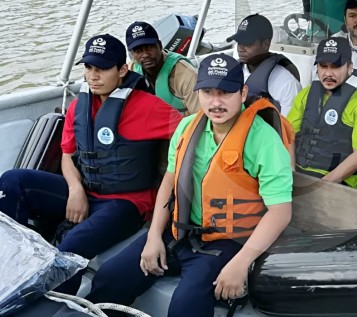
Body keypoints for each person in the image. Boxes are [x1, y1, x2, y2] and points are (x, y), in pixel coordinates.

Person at [84, 54, 293, 317]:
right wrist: (152, 238)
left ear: (242, 93)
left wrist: (241, 264)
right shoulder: (186, 127)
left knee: (186, 307)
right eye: (207, 92)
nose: (216, 102)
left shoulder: (264, 141)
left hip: (228, 240)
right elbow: (169, 182)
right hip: (179, 232)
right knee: (110, 278)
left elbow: (280, 211)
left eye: (225, 92)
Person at [0, 34, 183, 294]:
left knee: (72, 246)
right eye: (88, 68)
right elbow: (67, 154)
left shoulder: (149, 108)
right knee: (12, 181)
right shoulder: (78, 107)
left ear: (122, 70)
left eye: (102, 69)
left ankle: (56, 306)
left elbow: (193, 131)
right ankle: (10, 269)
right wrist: (75, 189)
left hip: (127, 203)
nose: (93, 76)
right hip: (86, 191)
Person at [287, 37, 357, 191]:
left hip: (338, 182)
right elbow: (288, 134)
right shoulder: (306, 94)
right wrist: (291, 173)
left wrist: (319, 187)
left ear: (350, 67)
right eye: (323, 66)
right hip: (299, 172)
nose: (328, 73)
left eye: (336, 66)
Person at [226, 13, 302, 116]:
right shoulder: (232, 72)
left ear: (266, 44)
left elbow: (288, 127)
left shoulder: (287, 83)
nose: (240, 48)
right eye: (239, 43)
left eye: (248, 44)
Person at [126, 21, 199, 115]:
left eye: (149, 47)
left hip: (182, 127)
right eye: (138, 51)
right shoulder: (131, 70)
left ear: (160, 45)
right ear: (132, 54)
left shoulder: (186, 74)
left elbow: (199, 116)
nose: (145, 55)